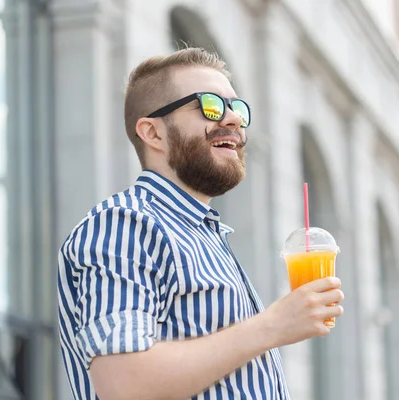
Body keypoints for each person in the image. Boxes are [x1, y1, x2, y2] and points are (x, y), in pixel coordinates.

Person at [57, 47, 344, 400]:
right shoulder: (126, 223)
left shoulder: (204, 235)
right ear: (153, 133)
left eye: (237, 109)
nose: (234, 120)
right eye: (210, 106)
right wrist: (273, 325)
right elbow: (123, 384)